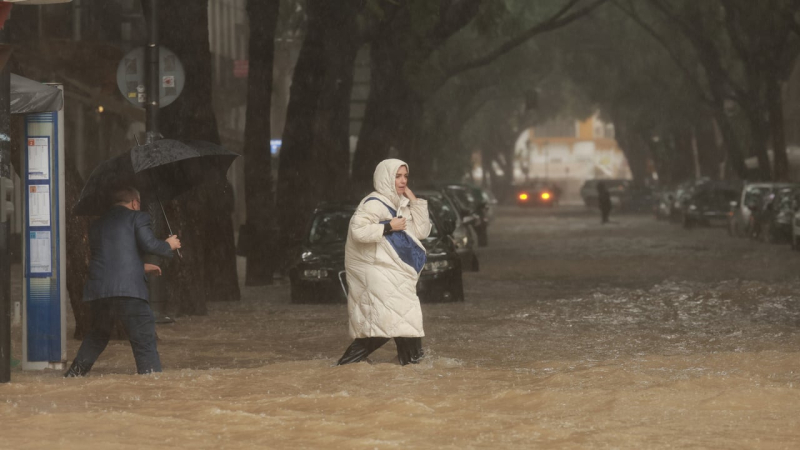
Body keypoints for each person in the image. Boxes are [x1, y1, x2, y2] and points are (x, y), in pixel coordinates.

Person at [64, 187, 180, 377]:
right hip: (129, 292)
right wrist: (169, 244)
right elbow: (149, 244)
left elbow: (110, 257)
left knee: (97, 336)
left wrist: (141, 267)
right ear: (135, 202)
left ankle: (73, 375)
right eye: (139, 204)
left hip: (100, 292)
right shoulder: (138, 218)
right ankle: (153, 385)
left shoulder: (97, 224)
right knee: (144, 341)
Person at [337, 159, 432, 366]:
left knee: (402, 321)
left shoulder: (400, 203)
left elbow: (421, 232)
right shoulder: (372, 203)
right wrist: (389, 226)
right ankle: (346, 366)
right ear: (385, 177)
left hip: (393, 275)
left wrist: (413, 199)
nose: (403, 181)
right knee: (390, 322)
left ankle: (411, 366)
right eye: (397, 176)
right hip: (376, 275)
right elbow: (358, 232)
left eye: (405, 176)